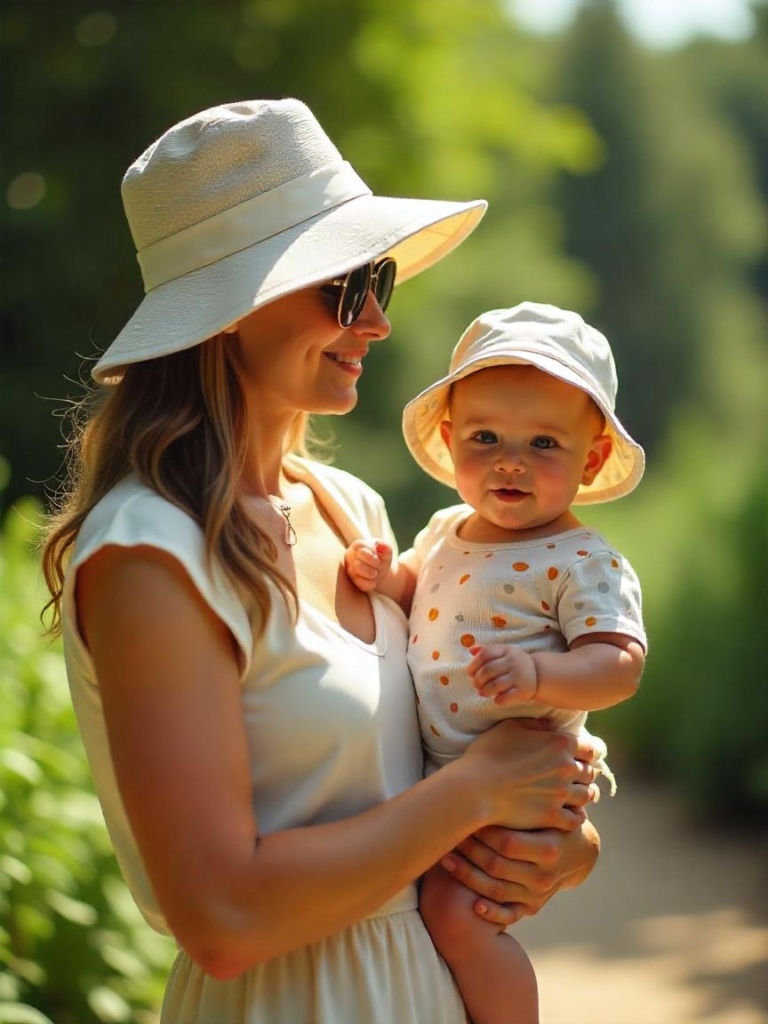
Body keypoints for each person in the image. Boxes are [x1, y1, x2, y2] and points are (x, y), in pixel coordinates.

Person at [41, 101, 602, 1024]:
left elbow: (462, 780)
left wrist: (560, 847)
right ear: (230, 309)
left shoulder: (357, 514)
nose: (377, 321)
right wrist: (475, 793)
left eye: (377, 280)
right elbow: (221, 920)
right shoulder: (150, 553)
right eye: (345, 287)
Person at [345, 302, 648, 1024]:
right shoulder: (448, 527)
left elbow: (620, 662)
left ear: (592, 457)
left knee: (460, 911)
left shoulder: (582, 560)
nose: (511, 460)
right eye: (486, 437)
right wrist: (388, 579)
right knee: (410, 900)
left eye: (545, 442)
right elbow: (426, 587)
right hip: (447, 778)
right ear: (450, 443)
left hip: (521, 784)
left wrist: (541, 675)